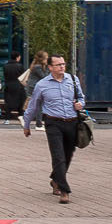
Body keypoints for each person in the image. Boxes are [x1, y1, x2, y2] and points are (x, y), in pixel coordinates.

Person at [22, 54, 86, 203]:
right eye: (58, 65)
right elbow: (33, 106)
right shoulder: (42, 85)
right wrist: (26, 125)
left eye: (63, 64)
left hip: (72, 122)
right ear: (50, 67)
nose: (62, 67)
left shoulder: (73, 80)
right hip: (53, 123)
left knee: (68, 154)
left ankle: (56, 179)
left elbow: (81, 98)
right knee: (58, 156)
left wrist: (80, 104)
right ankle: (64, 191)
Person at [0, 49, 27, 120]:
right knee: (21, 101)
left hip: (8, 85)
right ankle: (21, 116)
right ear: (17, 57)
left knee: (8, 102)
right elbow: (23, 76)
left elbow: (5, 75)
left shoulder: (5, 66)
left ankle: (7, 118)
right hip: (18, 86)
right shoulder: (20, 66)